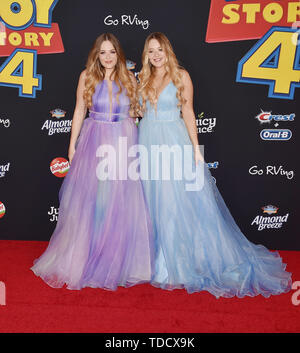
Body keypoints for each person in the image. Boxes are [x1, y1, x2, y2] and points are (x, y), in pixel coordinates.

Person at [137, 32, 292, 298]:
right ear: (146, 54)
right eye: (151, 51)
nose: (156, 55)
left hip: (174, 143)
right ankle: (154, 260)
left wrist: (196, 150)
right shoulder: (142, 78)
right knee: (151, 201)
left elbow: (188, 112)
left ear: (168, 51)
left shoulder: (180, 76)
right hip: (147, 143)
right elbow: (138, 112)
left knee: (174, 202)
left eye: (160, 49)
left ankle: (175, 263)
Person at [31, 33, 154, 290]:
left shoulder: (129, 78)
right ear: (96, 55)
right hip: (94, 140)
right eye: (103, 52)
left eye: (112, 52)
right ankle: (88, 256)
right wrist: (72, 144)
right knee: (93, 201)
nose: (108, 57)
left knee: (118, 202)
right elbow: (78, 110)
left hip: (122, 142)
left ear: (118, 54)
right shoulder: (87, 76)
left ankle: (114, 260)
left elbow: (133, 113)